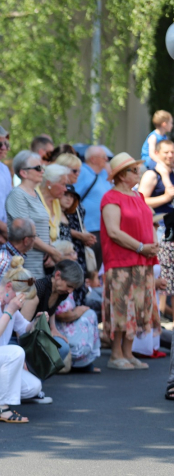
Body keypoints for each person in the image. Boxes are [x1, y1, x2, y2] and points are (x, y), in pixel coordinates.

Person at [100, 152, 160, 370]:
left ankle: (128, 351)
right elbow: (114, 232)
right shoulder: (111, 197)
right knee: (121, 306)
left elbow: (150, 223)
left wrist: (151, 245)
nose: (139, 173)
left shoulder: (138, 197)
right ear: (122, 175)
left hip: (142, 261)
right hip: (121, 260)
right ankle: (116, 354)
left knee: (137, 306)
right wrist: (141, 247)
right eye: (134, 170)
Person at [0, 256, 46, 423]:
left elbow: (25, 328)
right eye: (20, 298)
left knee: (33, 387)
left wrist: (37, 321)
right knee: (15, 352)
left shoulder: (7, 303)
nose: (21, 303)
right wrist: (10, 310)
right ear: (9, 287)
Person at [5, 150, 61, 278]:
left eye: (42, 168)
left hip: (40, 263)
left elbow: (42, 228)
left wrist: (49, 251)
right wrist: (52, 251)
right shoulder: (17, 195)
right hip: (26, 264)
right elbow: (26, 232)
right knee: (27, 295)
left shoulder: (35, 194)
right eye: (38, 168)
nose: (42, 171)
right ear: (23, 173)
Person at [19, 260, 81, 367]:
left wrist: (53, 329)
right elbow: (21, 327)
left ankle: (38, 378)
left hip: (38, 333)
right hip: (21, 336)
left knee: (62, 347)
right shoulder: (39, 288)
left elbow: (50, 309)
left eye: (73, 288)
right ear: (57, 275)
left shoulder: (61, 291)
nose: (70, 291)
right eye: (69, 285)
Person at [74, 145, 112, 269]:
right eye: (103, 157)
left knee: (96, 269)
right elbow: (73, 198)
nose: (107, 159)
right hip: (88, 229)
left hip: (102, 228)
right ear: (93, 159)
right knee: (87, 268)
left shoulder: (103, 174)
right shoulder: (82, 173)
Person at [0, 217, 37, 286]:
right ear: (26, 241)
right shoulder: (5, 261)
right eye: (34, 236)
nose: (35, 239)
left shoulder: (12, 256)